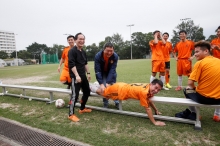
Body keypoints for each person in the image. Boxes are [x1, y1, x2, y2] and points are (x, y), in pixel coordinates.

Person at [175, 41, 220, 121]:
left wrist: (194, 88)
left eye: (197, 52)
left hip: (205, 98)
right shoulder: (218, 61)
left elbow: (190, 83)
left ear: (206, 51)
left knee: (187, 89)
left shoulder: (200, 63)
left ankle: (196, 114)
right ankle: (217, 115)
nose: (195, 54)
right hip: (219, 99)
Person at [90, 79, 165, 126]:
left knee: (107, 89)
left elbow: (148, 100)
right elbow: (148, 109)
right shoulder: (144, 92)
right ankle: (91, 87)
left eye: (158, 90)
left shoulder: (148, 87)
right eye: (156, 88)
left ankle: (97, 84)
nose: (156, 91)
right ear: (151, 84)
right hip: (119, 91)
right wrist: (155, 122)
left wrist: (156, 110)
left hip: (122, 86)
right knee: (103, 94)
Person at [68, 32, 92, 122]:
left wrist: (88, 73)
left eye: (83, 39)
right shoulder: (72, 51)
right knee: (75, 95)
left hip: (83, 76)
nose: (82, 41)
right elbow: (72, 64)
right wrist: (77, 76)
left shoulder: (83, 52)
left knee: (87, 92)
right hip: (76, 77)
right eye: (80, 39)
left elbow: (85, 63)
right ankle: (70, 114)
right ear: (75, 40)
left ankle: (82, 108)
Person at [94, 42, 119, 109]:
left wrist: (108, 82)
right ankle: (105, 103)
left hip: (111, 72)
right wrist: (102, 83)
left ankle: (117, 102)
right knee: (104, 87)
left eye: (111, 51)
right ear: (103, 50)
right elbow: (97, 71)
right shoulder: (98, 56)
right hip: (102, 73)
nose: (109, 53)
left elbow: (112, 70)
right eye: (107, 51)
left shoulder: (115, 56)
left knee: (113, 86)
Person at [210, 26, 220, 121]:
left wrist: (218, 48)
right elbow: (211, 52)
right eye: (217, 31)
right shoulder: (214, 40)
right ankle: (217, 113)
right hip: (215, 65)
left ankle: (217, 113)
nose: (218, 33)